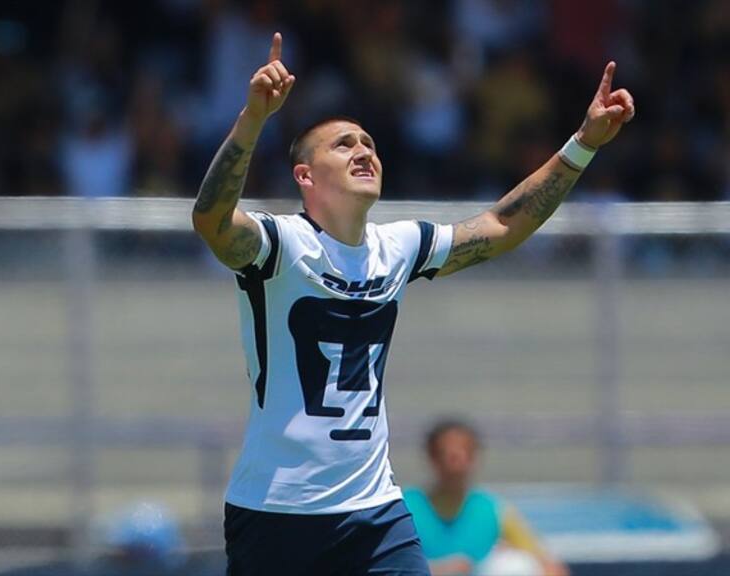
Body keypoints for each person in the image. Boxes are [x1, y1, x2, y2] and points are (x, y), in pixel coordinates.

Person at [191, 32, 634, 576]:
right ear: (304, 176)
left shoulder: (397, 247)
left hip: (375, 510)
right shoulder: (279, 245)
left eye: (370, 144)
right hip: (277, 511)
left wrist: (583, 143)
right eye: (344, 144)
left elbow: (501, 225)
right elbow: (211, 220)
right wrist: (254, 118)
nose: (363, 151)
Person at [404, 420, 568, 576]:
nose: (458, 463)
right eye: (450, 455)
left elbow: (551, 567)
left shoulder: (493, 510)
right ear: (432, 457)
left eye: (466, 453)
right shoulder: (404, 508)